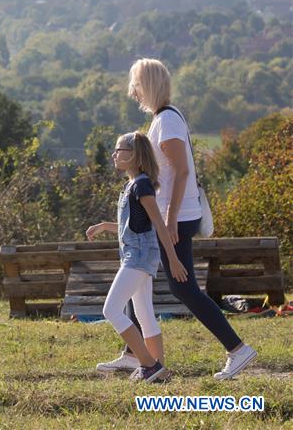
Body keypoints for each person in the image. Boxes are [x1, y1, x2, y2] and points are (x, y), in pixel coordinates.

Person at [98, 58, 257, 380]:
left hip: (179, 217)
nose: (133, 92)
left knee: (183, 287)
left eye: (136, 85)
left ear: (149, 85)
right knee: (140, 280)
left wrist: (169, 222)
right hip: (176, 215)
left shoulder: (167, 122)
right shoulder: (162, 119)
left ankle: (237, 349)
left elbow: (182, 172)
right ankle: (134, 354)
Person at [86, 132, 188, 382]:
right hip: (136, 255)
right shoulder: (133, 185)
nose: (114, 154)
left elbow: (158, 226)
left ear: (135, 156)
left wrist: (173, 260)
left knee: (111, 310)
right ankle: (160, 370)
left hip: (139, 257)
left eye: (119, 150)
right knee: (144, 314)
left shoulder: (142, 185)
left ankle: (147, 364)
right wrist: (103, 226)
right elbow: (131, 225)